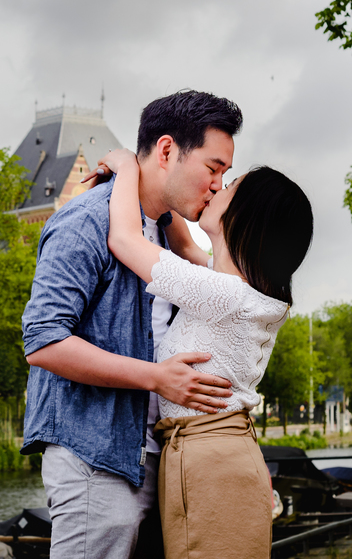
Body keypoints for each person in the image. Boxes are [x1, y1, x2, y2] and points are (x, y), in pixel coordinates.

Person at [21, 90, 243, 559]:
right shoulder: (83, 222)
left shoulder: (167, 235)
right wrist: (157, 378)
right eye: (213, 168)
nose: (217, 186)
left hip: (161, 461)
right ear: (167, 151)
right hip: (94, 459)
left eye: (224, 175)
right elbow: (43, 341)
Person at [98, 148, 313, 559]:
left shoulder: (224, 295)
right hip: (206, 453)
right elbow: (181, 240)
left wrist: (128, 165)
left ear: (247, 218)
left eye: (229, 186)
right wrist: (162, 182)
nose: (216, 187)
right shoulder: (232, 289)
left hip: (211, 463)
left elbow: (124, 238)